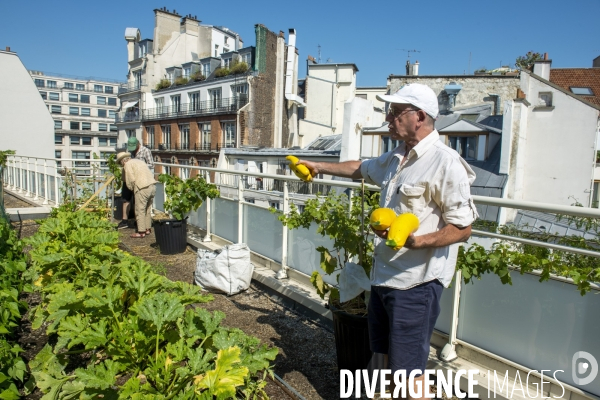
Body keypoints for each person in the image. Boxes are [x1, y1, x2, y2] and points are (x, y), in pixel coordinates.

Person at [296, 83, 478, 400]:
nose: (388, 118)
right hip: (384, 278)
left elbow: (462, 228)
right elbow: (361, 169)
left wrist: (416, 242)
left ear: (419, 116)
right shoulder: (397, 157)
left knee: (409, 373)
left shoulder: (445, 163)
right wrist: (319, 166)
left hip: (415, 285)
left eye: (395, 112)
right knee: (383, 358)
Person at [116, 152, 157, 238]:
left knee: (140, 210)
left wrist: (132, 189)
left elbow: (130, 179)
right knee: (147, 209)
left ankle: (141, 232)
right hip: (152, 186)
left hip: (142, 187)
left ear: (123, 161)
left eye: (120, 164)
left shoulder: (127, 165)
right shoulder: (139, 161)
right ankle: (148, 229)